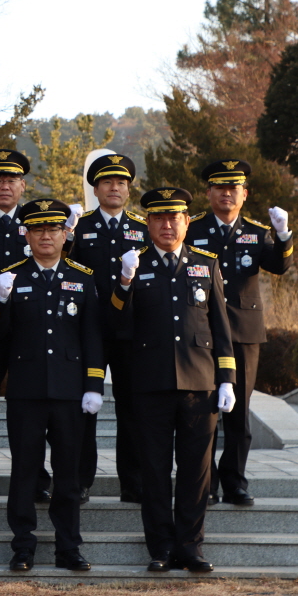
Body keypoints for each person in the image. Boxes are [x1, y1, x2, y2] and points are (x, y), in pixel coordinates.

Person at [110, 187, 237, 573]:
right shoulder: (135, 263)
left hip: (199, 384)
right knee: (154, 469)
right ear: (147, 223)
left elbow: (220, 326)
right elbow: (116, 325)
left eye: (174, 218)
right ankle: (161, 548)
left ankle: (190, 547)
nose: (167, 225)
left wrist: (227, 378)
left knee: (196, 471)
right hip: (151, 385)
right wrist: (124, 282)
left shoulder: (205, 263)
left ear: (186, 222)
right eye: (159, 218)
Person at [0, 198, 105, 572]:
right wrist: (0, 301)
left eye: (53, 229)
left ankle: (68, 546)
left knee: (68, 475)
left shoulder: (82, 277)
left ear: (64, 234)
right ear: (26, 234)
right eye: (37, 229)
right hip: (26, 390)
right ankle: (23, 545)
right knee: (24, 471)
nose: (45, 236)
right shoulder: (12, 276)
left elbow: (92, 336)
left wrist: (94, 385)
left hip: (70, 391)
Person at [0, 149, 73, 503]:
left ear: (23, 186)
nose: (5, 186)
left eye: (12, 180)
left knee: (32, 409)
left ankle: (37, 479)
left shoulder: (38, 221)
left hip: (28, 329)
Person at [187, 160, 293, 506]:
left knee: (238, 413)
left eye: (233, 189)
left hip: (243, 333)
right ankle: (206, 483)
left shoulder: (257, 231)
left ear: (244, 194)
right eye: (220, 188)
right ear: (209, 193)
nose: (226, 194)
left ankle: (235, 481)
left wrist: (283, 235)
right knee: (204, 411)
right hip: (203, 332)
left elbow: (279, 266)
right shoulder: (194, 229)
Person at [65, 154, 149, 504]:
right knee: (85, 408)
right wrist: (67, 236)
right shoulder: (78, 227)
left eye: (121, 183)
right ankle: (80, 480)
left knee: (133, 408)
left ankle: (133, 482)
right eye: (107, 182)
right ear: (96, 190)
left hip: (131, 332)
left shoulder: (143, 228)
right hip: (90, 331)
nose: (115, 188)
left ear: (128, 190)